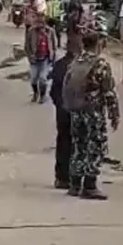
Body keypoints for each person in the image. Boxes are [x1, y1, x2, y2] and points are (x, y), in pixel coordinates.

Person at [62, 32, 120, 200]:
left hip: (76, 111)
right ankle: (89, 185)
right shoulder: (99, 64)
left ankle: (74, 184)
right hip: (93, 112)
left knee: (79, 146)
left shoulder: (76, 62)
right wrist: (114, 114)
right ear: (98, 44)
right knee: (95, 146)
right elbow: (108, 91)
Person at [49, 50, 77, 189]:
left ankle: (62, 177)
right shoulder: (77, 66)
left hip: (63, 111)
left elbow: (53, 92)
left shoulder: (60, 65)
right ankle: (71, 177)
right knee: (74, 144)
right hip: (74, 111)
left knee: (63, 143)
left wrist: (60, 106)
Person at [25, 13, 57, 103]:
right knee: (33, 78)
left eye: (41, 20)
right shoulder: (31, 31)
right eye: (38, 20)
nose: (40, 22)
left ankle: (43, 95)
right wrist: (30, 56)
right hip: (35, 59)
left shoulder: (50, 31)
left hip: (45, 59)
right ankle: (35, 93)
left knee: (43, 78)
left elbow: (54, 46)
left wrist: (53, 57)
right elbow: (27, 46)